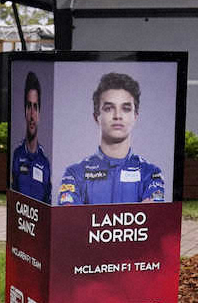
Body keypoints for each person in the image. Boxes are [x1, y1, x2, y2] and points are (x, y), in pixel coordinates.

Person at [58, 72, 164, 205]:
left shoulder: (151, 174)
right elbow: (70, 221)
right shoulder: (75, 173)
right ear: (96, 116)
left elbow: (153, 219)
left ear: (135, 116)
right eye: (109, 108)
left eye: (125, 109)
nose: (118, 115)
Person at [11, 71, 51, 203]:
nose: (32, 114)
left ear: (39, 113)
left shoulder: (45, 163)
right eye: (29, 106)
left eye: (35, 107)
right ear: (24, 111)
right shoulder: (17, 156)